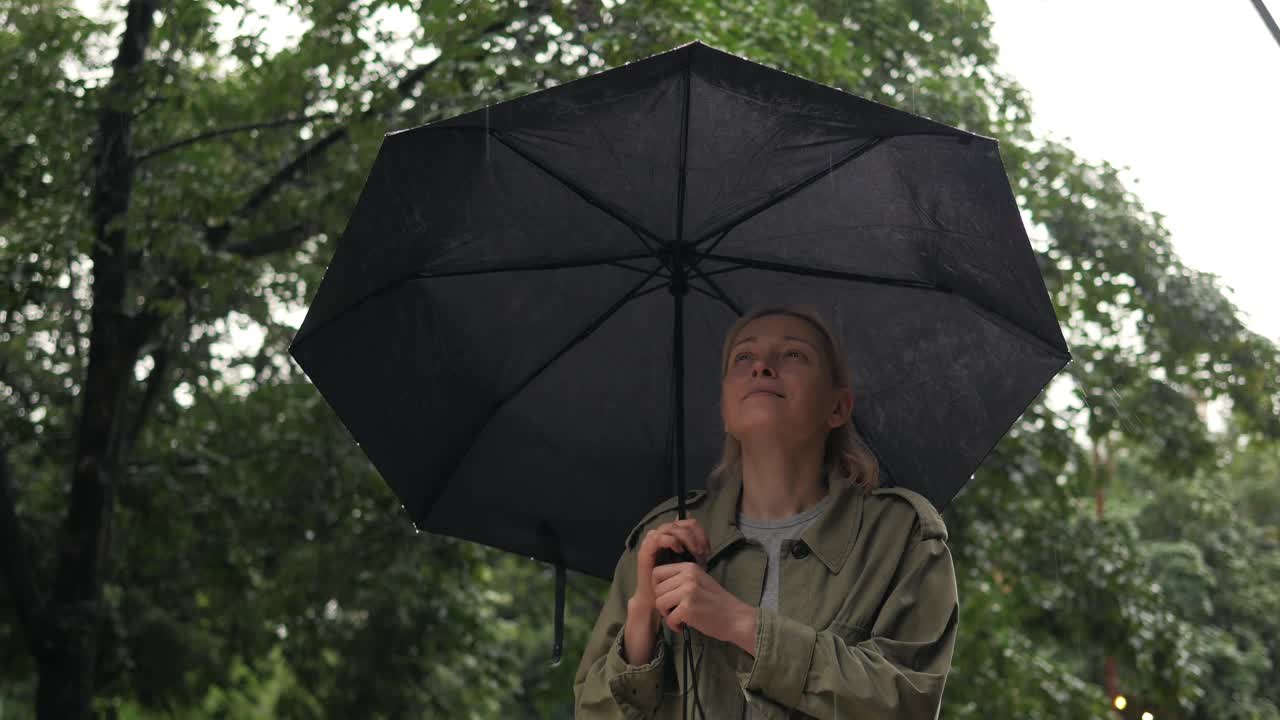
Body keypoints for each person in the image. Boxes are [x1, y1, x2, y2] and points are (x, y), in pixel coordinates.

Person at [573, 304, 960, 719]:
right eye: (743, 357)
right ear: (724, 409)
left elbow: (907, 702)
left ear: (838, 408)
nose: (762, 367)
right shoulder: (663, 537)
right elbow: (593, 712)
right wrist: (642, 616)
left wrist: (741, 624)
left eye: (793, 354)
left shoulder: (900, 535)